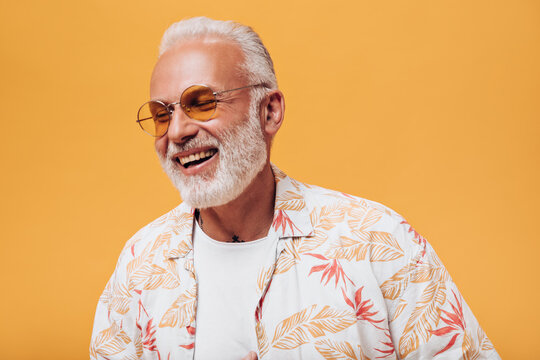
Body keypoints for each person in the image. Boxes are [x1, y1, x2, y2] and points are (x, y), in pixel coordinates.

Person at [90, 17, 500, 360]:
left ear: (269, 111)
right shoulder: (139, 266)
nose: (177, 131)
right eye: (162, 114)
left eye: (202, 102)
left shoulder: (380, 243)